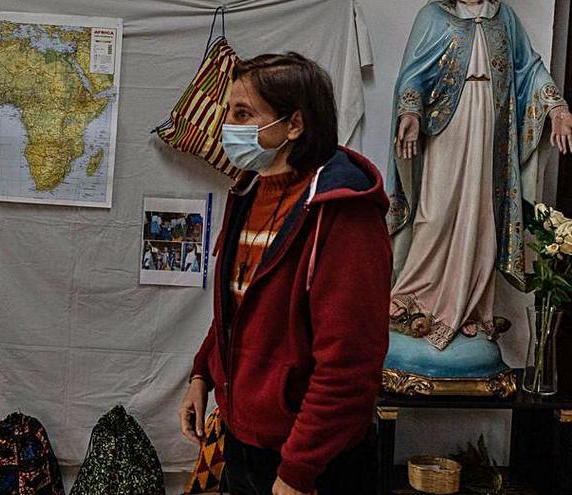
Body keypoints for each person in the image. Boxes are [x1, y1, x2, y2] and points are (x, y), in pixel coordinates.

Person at [178, 53, 392, 495]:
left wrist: (297, 471)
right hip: (244, 445)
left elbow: (349, 366)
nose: (228, 126)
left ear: (294, 125)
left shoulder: (344, 214)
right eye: (228, 111)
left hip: (314, 464)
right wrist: (203, 372)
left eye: (243, 113)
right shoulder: (249, 192)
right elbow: (240, 308)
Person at [387, 0, 572, 349]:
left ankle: (471, 308)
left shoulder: (503, 16)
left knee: (482, 215)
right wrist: (410, 113)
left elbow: (529, 68)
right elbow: (412, 74)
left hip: (490, 122)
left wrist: (557, 108)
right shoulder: (433, 15)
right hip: (445, 124)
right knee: (436, 212)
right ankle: (415, 297)